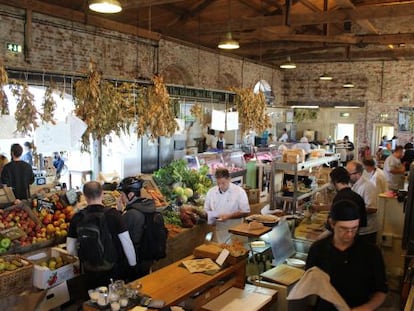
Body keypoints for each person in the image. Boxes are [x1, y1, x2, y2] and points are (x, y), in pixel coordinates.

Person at [306, 200, 388, 310]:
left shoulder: (371, 252)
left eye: (354, 228)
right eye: (343, 229)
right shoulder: (318, 249)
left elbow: (381, 291)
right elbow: (310, 286)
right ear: (332, 223)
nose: (349, 234)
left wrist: (366, 308)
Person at [66, 181, 137, 289]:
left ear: (85, 196)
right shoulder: (114, 215)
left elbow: (70, 249)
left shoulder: (77, 217)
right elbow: (127, 243)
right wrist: (132, 266)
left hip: (89, 270)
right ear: (102, 194)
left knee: (93, 300)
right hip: (112, 269)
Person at [117, 177, 155, 279]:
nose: (121, 198)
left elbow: (120, 235)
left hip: (136, 258)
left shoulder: (131, 214)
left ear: (130, 195)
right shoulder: (148, 207)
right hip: (147, 256)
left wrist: (119, 212)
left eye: (122, 195)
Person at [204, 168, 250, 243]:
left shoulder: (239, 191)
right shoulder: (211, 192)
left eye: (223, 183)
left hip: (236, 231)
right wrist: (212, 221)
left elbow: (246, 212)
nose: (220, 186)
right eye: (218, 183)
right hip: (219, 232)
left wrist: (229, 216)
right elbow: (207, 211)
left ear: (229, 179)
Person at [346, 160, 378, 244]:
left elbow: (373, 209)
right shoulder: (352, 184)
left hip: (367, 231)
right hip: (357, 229)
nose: (347, 176)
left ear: (359, 174)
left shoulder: (367, 186)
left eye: (349, 174)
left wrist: (352, 210)